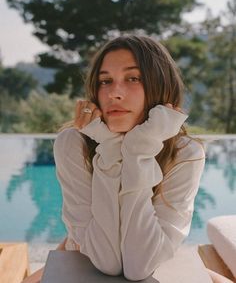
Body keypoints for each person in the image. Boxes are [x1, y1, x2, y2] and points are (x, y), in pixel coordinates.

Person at [21, 35, 230, 283]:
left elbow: (139, 265)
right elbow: (107, 261)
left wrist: (138, 151)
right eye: (105, 81)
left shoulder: (185, 154)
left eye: (133, 78)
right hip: (81, 255)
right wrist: (110, 147)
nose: (114, 93)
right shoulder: (73, 144)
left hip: (160, 261)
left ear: (160, 86)